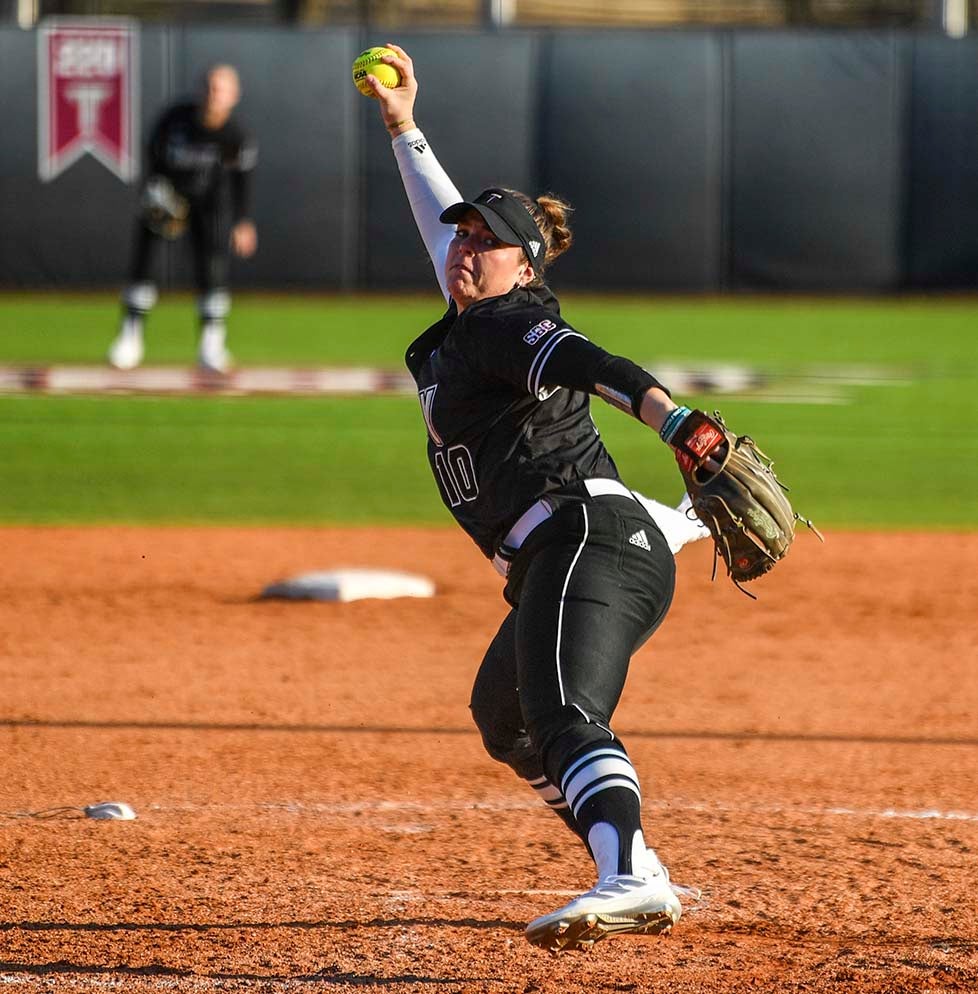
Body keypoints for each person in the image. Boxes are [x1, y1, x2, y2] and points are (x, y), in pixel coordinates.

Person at [364, 45, 709, 953]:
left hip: (586, 538)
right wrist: (403, 126)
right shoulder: (476, 311)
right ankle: (637, 860)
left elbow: (595, 366)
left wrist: (675, 425)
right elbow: (436, 224)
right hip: (577, 547)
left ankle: (627, 872)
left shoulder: (514, 323)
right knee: (505, 717)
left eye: (485, 240)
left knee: (560, 709)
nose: (464, 247)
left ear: (526, 265)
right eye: (464, 236)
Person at [108, 63, 258, 374]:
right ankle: (130, 337)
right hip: (168, 196)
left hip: (209, 204)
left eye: (221, 89)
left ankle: (211, 345)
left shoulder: (235, 135)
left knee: (212, 267)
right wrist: (155, 192)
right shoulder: (176, 119)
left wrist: (243, 221)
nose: (214, 95)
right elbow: (153, 154)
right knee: (144, 263)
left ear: (234, 95)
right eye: (209, 87)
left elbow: (241, 180)